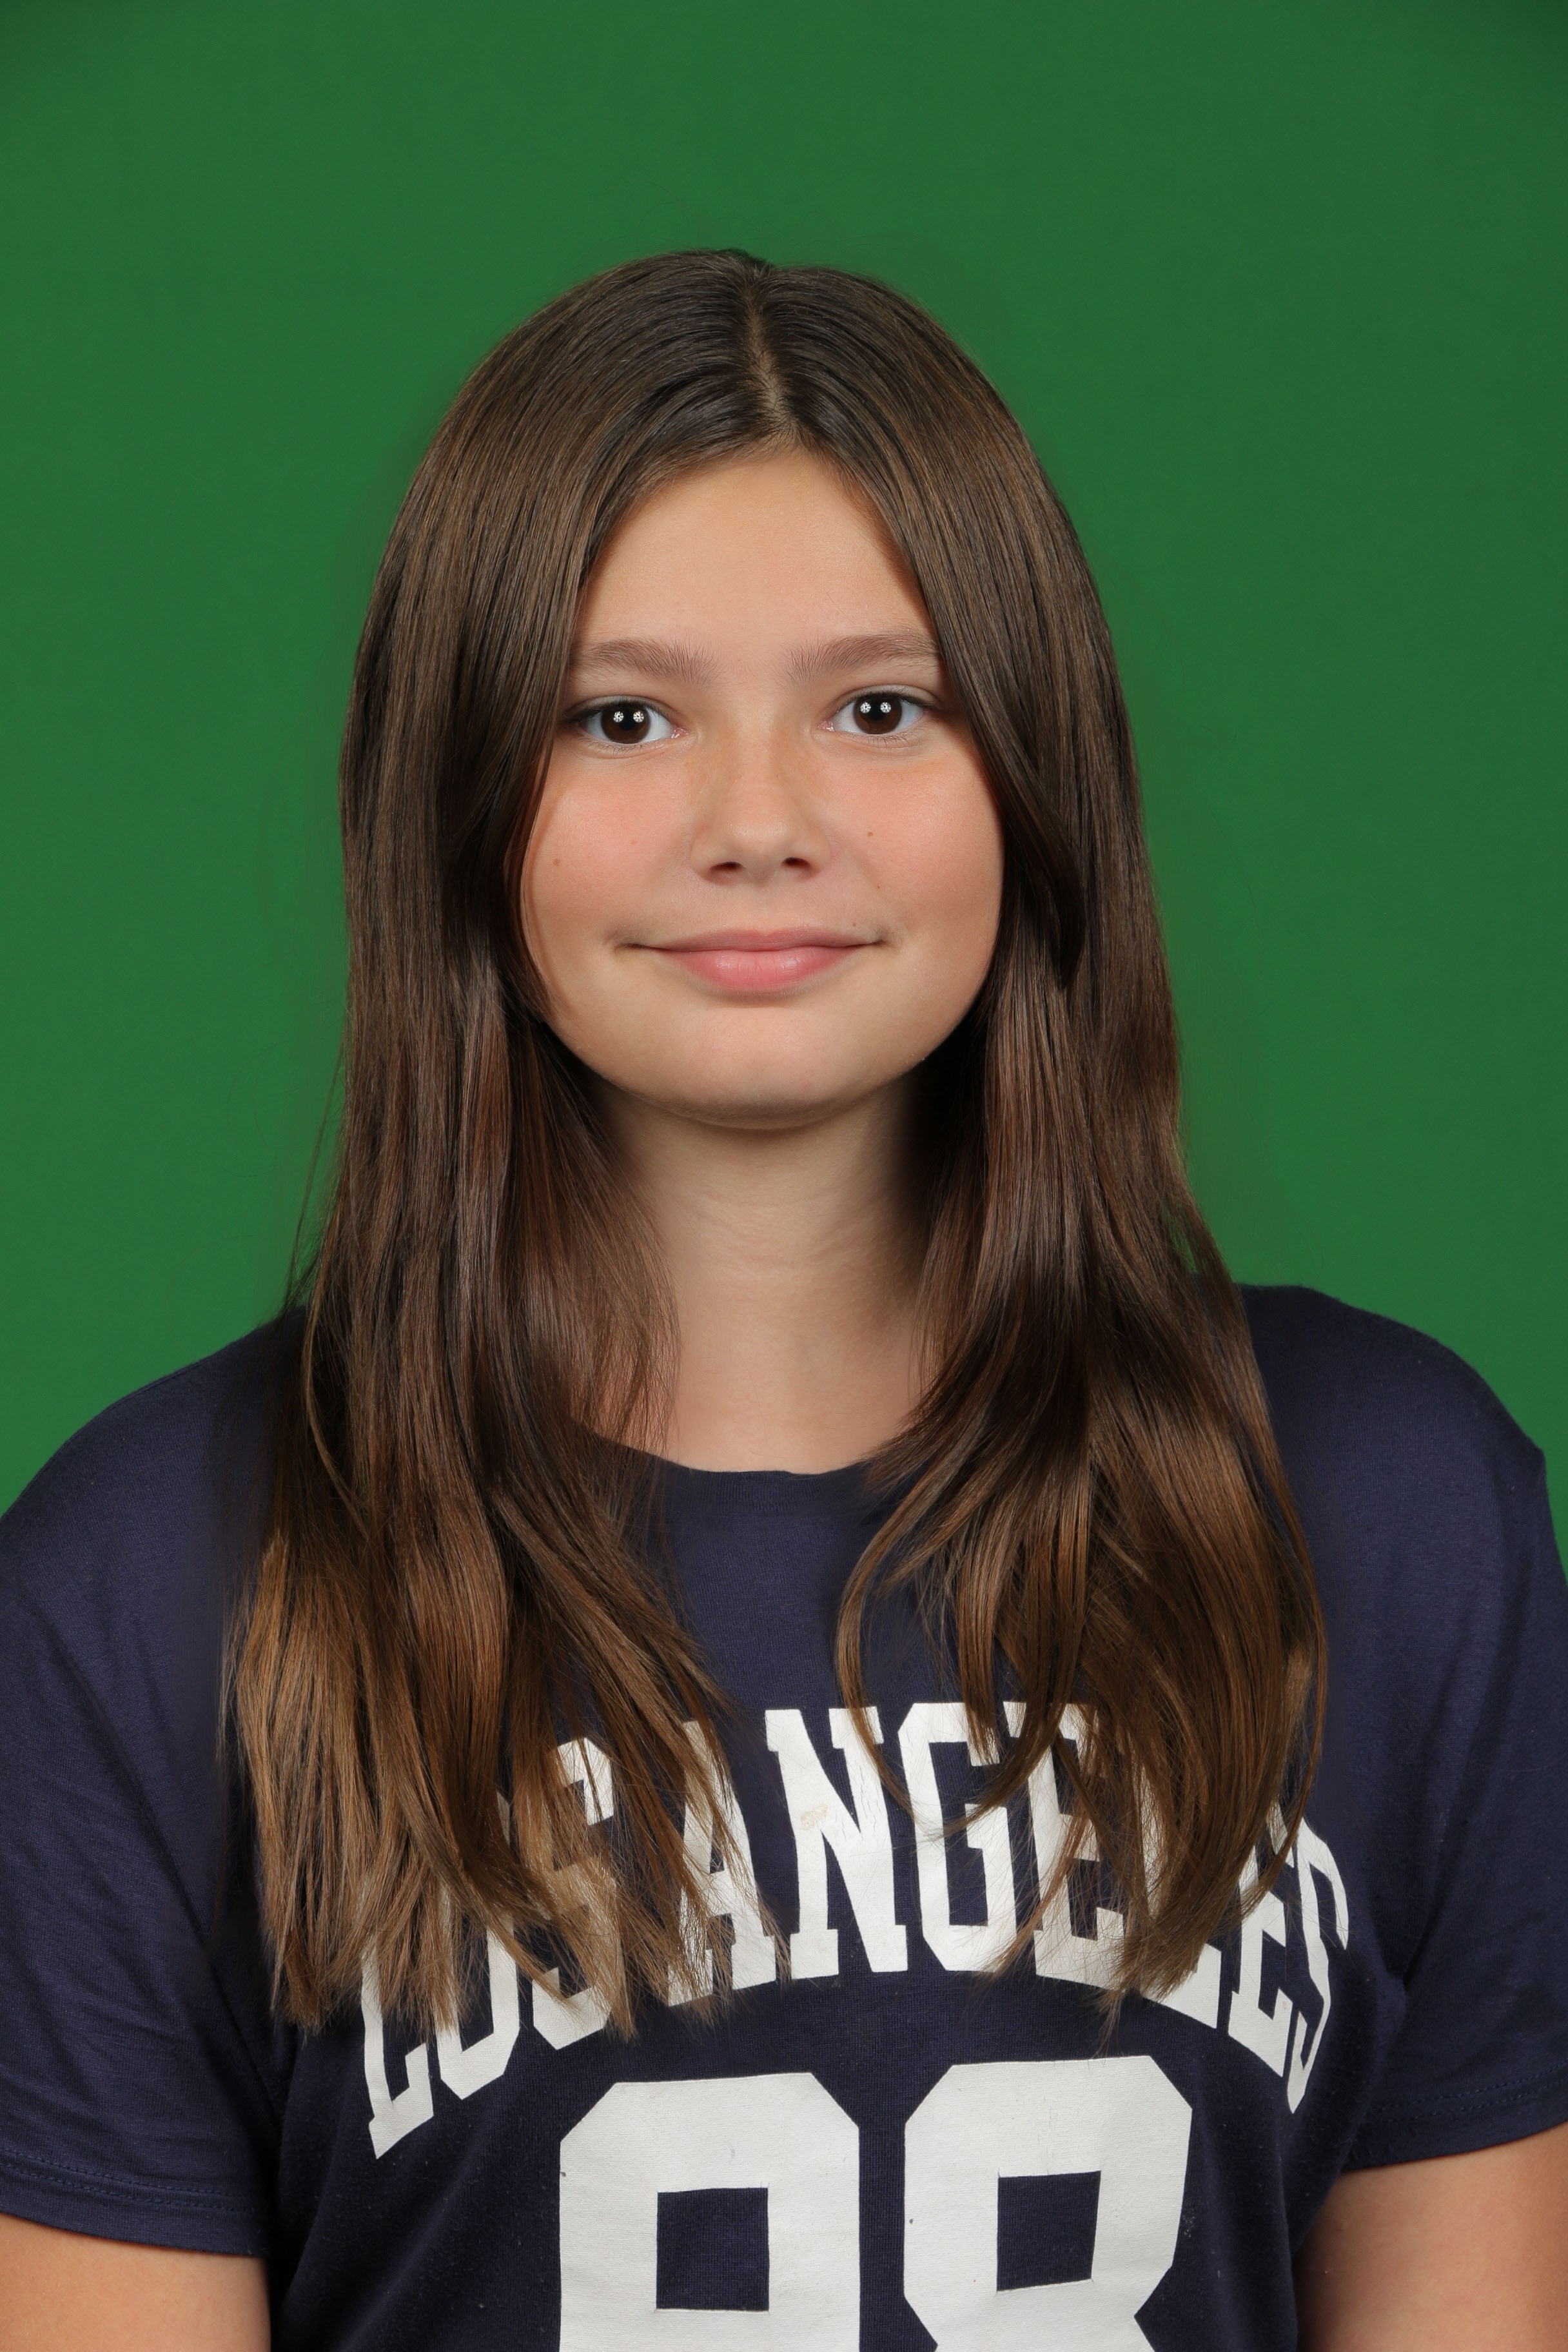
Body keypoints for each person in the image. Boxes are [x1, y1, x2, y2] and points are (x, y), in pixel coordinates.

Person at [1, 250, 1565, 2352]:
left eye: (880, 708)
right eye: (621, 716)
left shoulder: (1392, 1510)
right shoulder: (153, 1578)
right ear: (457, 795)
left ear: (1037, 773)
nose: (759, 823)